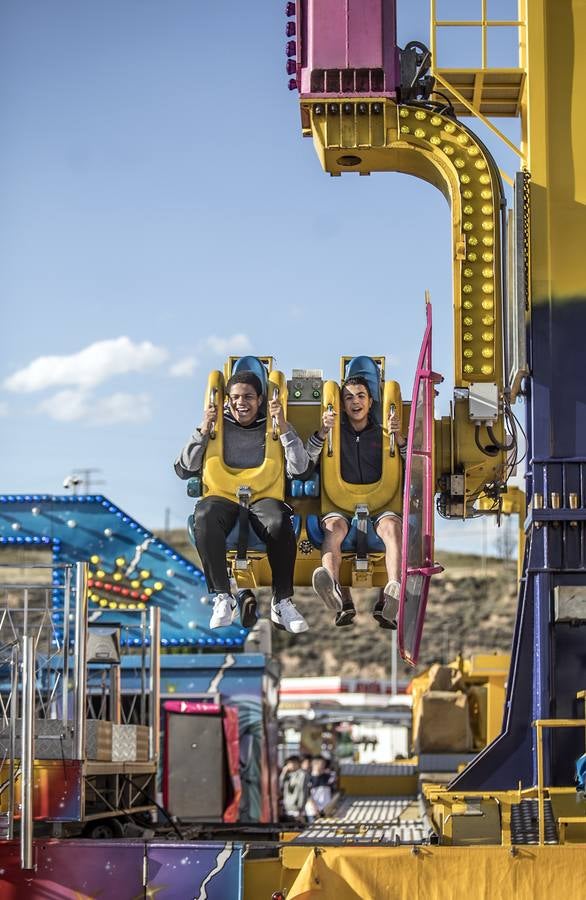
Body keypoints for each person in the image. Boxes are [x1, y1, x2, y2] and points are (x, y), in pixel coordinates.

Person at [175, 370, 309, 634]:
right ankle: (223, 596)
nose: (241, 403)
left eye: (248, 397)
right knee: (204, 513)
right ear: (226, 399)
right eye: (235, 397)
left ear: (260, 399)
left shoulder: (275, 425)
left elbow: (301, 469)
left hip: (263, 496)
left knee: (279, 521)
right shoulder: (216, 426)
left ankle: (282, 600)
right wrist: (203, 430)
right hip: (224, 496)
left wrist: (282, 427)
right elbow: (184, 469)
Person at [306, 375, 407, 628]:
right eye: (348, 397)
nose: (355, 402)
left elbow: (413, 462)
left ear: (371, 401)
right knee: (333, 529)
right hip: (341, 505)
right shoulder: (334, 433)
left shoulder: (384, 433)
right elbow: (306, 461)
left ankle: (393, 588)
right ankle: (333, 586)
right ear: (341, 404)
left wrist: (400, 437)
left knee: (392, 527)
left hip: (380, 505)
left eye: (361, 396)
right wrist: (323, 431)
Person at [279, 755, 309, 823]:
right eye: (288, 763)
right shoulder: (288, 775)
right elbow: (280, 785)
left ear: (297, 763)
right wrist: (283, 773)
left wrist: (301, 808)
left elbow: (303, 791)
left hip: (296, 809)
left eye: (291, 763)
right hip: (287, 807)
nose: (289, 765)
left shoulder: (302, 775)